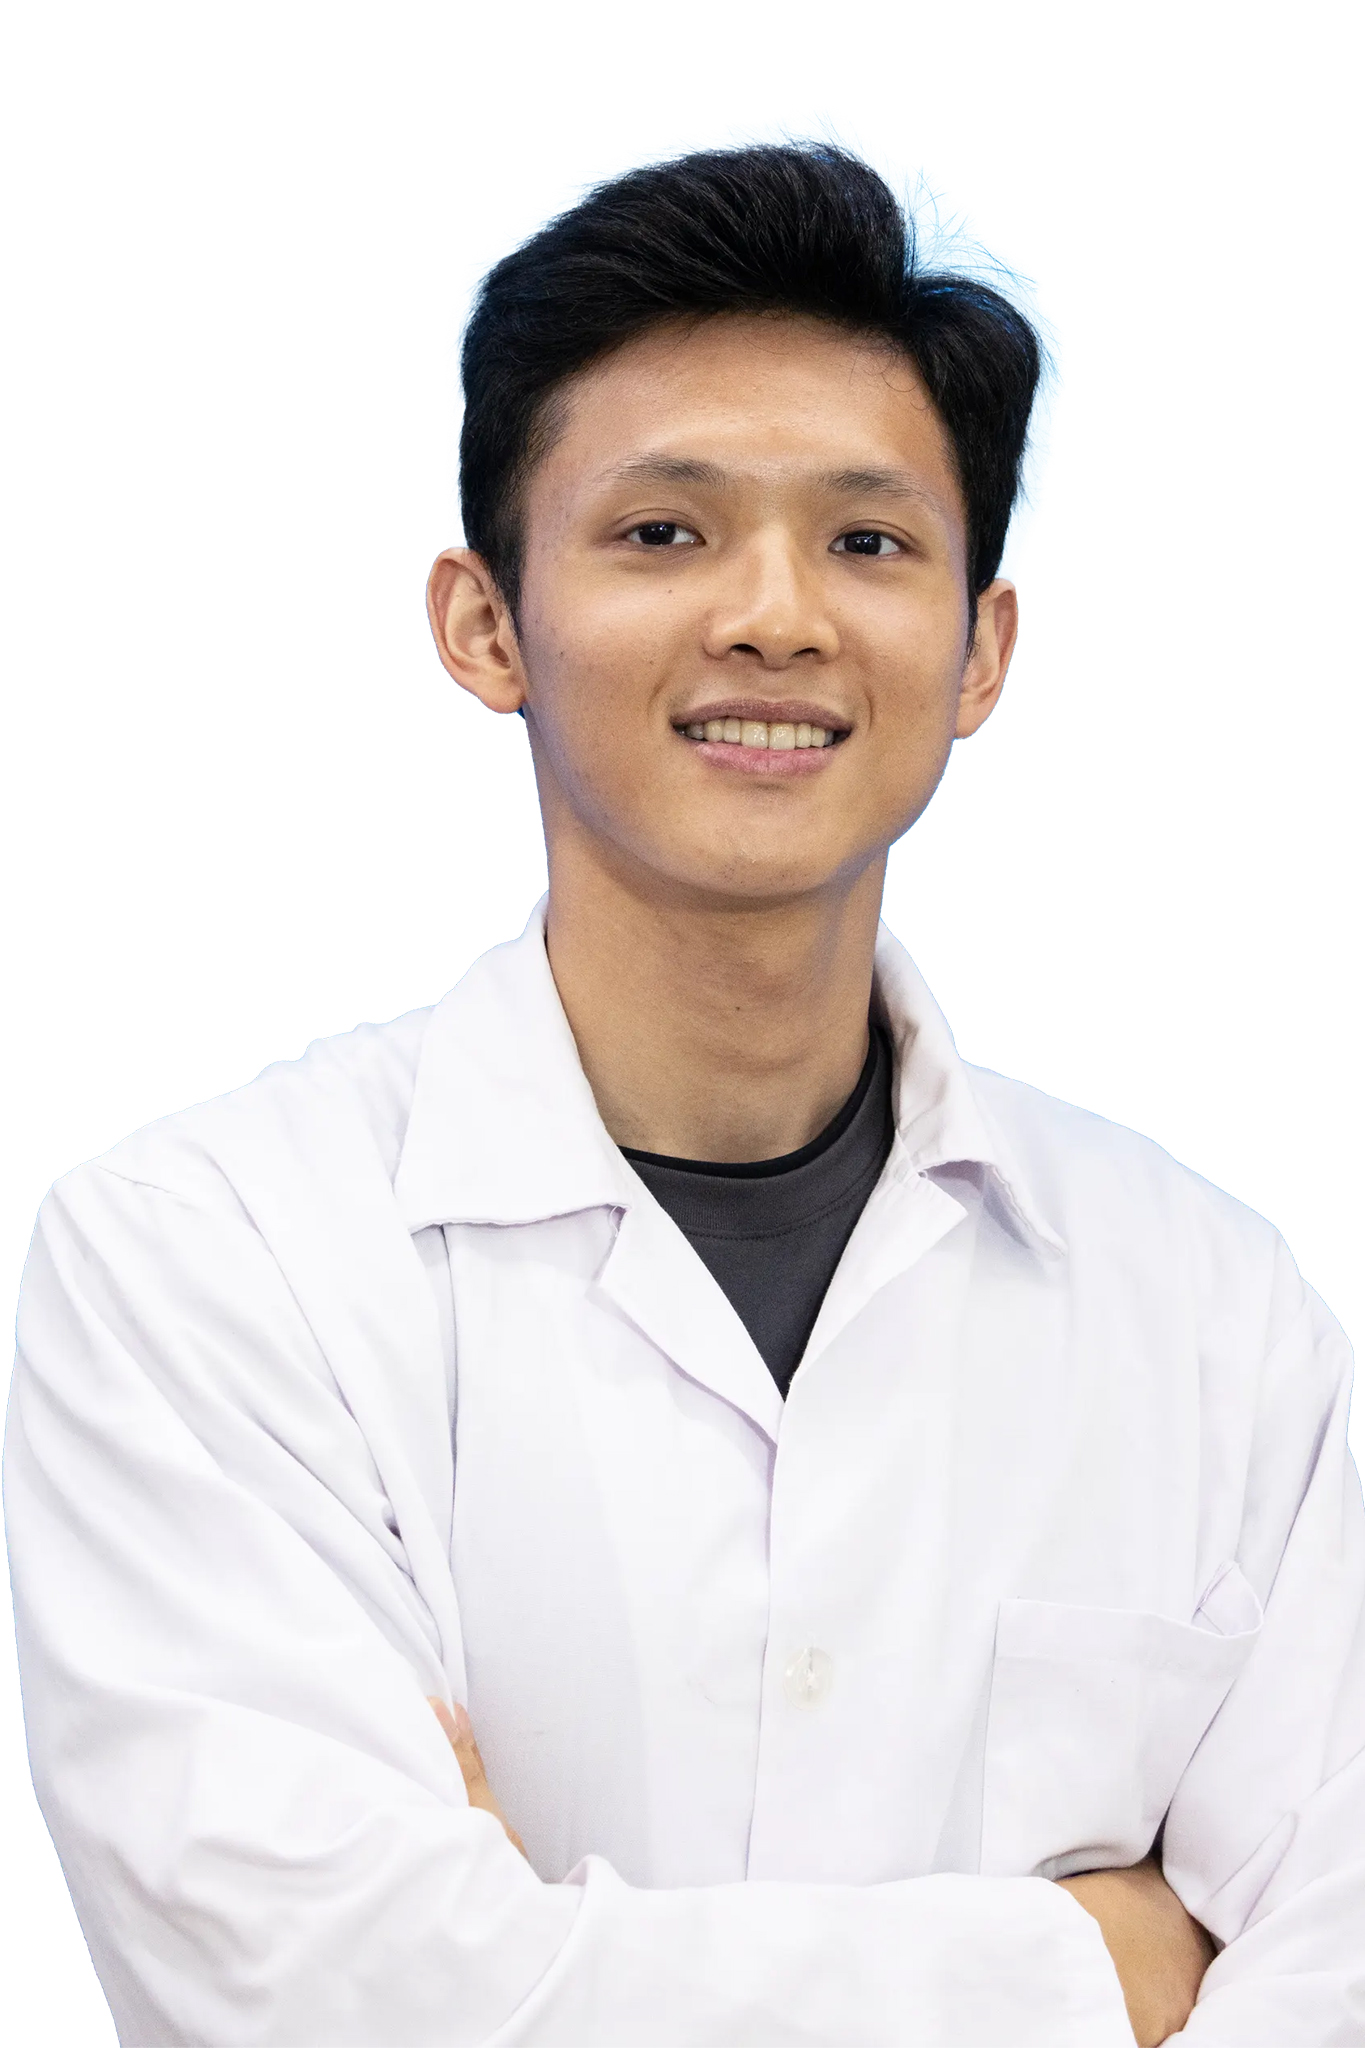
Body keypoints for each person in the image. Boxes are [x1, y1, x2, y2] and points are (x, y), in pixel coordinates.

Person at [5, 143, 1362, 2048]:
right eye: (662, 533)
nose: (775, 617)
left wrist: (542, 1963)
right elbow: (336, 2005)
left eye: (868, 544)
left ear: (979, 651)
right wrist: (1089, 1968)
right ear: (484, 625)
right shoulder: (208, 1265)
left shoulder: (1214, 1314)